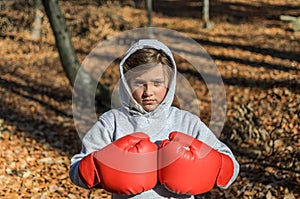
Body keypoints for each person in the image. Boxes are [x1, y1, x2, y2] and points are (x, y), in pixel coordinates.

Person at [69, 39, 239, 199]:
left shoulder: (187, 122)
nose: (148, 91)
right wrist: (98, 168)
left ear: (169, 82)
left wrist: (216, 167)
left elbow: (231, 166)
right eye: (139, 83)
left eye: (157, 83)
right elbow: (76, 170)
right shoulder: (111, 122)